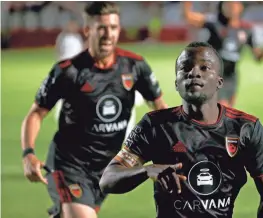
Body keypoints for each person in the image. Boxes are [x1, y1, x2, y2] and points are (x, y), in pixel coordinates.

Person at [99, 42, 263, 218]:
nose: (194, 72)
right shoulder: (155, 125)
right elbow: (108, 179)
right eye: (185, 68)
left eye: (204, 68)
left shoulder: (245, 128)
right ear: (176, 83)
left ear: (220, 82)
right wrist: (147, 170)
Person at [21, 2, 168, 218]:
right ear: (88, 30)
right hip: (71, 165)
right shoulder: (68, 72)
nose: (108, 34)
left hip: (108, 167)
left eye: (113, 27)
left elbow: (160, 109)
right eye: (101, 28)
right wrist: (28, 154)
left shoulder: (135, 67)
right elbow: (37, 112)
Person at [183, 2, 263, 107]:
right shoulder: (215, 24)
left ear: (240, 7)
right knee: (222, 107)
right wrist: (186, 3)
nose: (230, 8)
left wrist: (262, 55)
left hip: (231, 75)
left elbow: (256, 57)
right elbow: (189, 17)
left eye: (233, 5)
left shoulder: (246, 29)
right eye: (227, 5)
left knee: (228, 111)